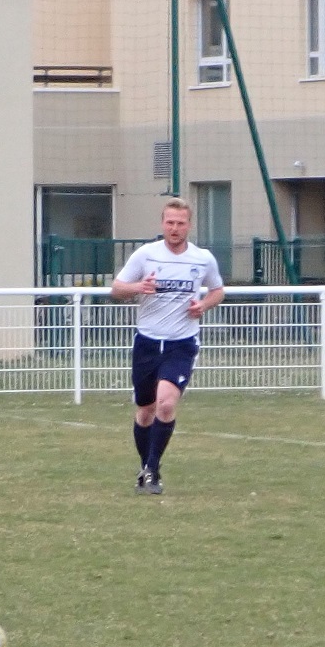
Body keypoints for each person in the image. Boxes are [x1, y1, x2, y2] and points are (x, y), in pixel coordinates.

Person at [110, 197, 224, 495]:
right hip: (147, 342)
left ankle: (152, 469)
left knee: (166, 403)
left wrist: (203, 305)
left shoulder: (202, 258)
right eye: (170, 222)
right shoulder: (146, 255)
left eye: (180, 223)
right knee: (146, 411)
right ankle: (146, 468)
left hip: (181, 343)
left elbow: (217, 290)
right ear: (162, 223)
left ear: (189, 225)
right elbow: (117, 288)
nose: (175, 228)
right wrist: (139, 287)